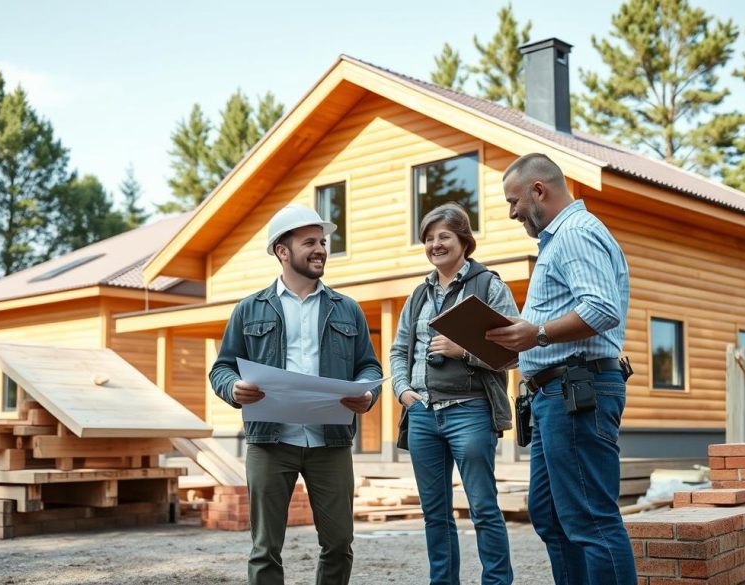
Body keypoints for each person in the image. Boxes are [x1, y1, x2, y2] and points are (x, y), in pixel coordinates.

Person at [209, 204, 383, 585]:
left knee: (339, 544)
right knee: (264, 548)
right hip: (270, 441)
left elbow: (369, 367)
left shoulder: (347, 310)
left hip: (331, 442)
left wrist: (367, 394)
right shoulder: (248, 309)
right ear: (282, 251)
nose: (321, 249)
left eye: (323, 242)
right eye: (309, 242)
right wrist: (232, 389)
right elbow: (221, 368)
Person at [485, 153, 635, 585]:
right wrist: (521, 342)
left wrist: (538, 335)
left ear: (539, 190)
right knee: (551, 516)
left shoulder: (574, 234)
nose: (512, 212)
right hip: (555, 394)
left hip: (575, 392)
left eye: (514, 201)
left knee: (590, 519)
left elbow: (601, 309)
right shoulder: (562, 239)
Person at [389, 202, 518, 585]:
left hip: (470, 412)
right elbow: (399, 350)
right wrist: (402, 391)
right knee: (435, 513)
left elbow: (512, 353)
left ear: (463, 240)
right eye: (428, 238)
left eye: (443, 236)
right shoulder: (418, 294)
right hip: (423, 414)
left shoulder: (489, 286)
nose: (435, 244)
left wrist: (463, 352)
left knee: (483, 507)